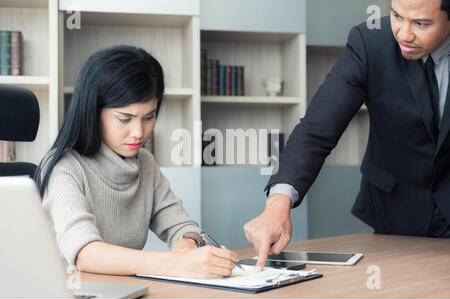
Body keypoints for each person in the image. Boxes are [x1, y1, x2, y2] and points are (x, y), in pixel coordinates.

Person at [244, 0, 450, 271]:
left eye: (421, 23)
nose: (403, 33)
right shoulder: (370, 42)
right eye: (397, 16)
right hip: (396, 212)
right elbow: (318, 128)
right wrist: (278, 203)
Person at [34, 45, 238, 278]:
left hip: (125, 290)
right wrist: (176, 264)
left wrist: (185, 247)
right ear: (93, 111)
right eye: (125, 119)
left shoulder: (145, 163)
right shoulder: (64, 166)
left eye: (149, 117)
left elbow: (184, 227)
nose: (139, 133)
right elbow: (85, 253)